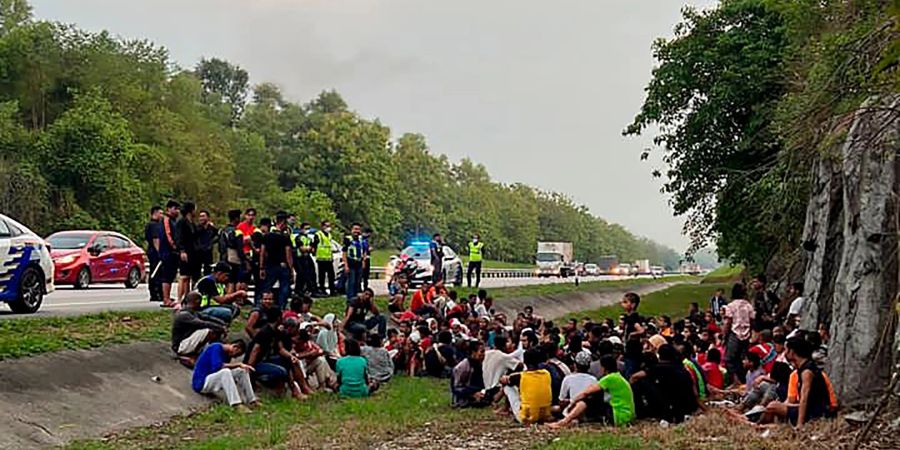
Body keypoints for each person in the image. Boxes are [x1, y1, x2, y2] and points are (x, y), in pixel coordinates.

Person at [548, 355, 634, 428]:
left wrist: (572, 403)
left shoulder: (609, 379)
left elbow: (585, 393)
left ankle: (564, 421)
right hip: (627, 415)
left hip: (618, 416)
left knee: (587, 400)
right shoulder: (617, 377)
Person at [762, 338, 833, 426]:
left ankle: (758, 425)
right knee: (773, 405)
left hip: (815, 410)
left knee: (772, 406)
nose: (785, 353)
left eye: (786, 350)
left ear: (792, 352)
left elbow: (804, 399)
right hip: (809, 407)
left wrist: (800, 424)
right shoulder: (802, 368)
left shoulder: (807, 371)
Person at [191, 340, 258, 411]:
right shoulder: (216, 348)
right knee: (225, 372)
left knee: (242, 371)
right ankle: (236, 404)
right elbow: (217, 367)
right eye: (236, 354)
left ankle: (252, 400)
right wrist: (238, 364)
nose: (234, 357)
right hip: (201, 382)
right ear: (235, 347)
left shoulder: (227, 355)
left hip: (212, 378)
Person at [172, 291, 227, 365]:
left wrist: (222, 324)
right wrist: (221, 328)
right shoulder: (184, 315)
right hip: (181, 346)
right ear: (197, 301)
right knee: (208, 331)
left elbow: (207, 318)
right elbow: (202, 323)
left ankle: (202, 353)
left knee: (213, 329)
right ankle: (191, 355)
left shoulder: (193, 312)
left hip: (187, 341)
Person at [500, 348, 553, 425]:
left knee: (507, 387)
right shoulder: (546, 374)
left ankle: (506, 409)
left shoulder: (521, 376)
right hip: (544, 415)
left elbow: (503, 380)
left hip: (526, 417)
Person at [260, 211, 294, 309]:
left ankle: (263, 305)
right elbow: (288, 254)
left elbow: (262, 252)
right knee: (284, 288)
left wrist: (261, 267)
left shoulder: (267, 236)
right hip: (282, 265)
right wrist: (291, 269)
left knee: (267, 287)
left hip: (270, 265)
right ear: (283, 222)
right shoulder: (285, 237)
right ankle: (281, 307)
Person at [723, 283, 755, 385]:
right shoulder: (748, 305)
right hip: (746, 334)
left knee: (729, 359)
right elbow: (752, 320)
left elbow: (728, 322)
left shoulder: (731, 306)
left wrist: (724, 335)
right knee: (742, 359)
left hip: (734, 333)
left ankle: (736, 380)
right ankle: (743, 379)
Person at [156, 200, 181, 308]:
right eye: (175, 208)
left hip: (172, 253)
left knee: (171, 276)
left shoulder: (174, 221)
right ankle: (166, 299)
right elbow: (169, 235)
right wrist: (175, 247)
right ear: (169, 209)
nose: (177, 211)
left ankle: (168, 297)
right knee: (167, 276)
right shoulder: (166, 220)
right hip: (168, 252)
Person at [451, 340, 489, 408]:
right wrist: (472, 394)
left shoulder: (480, 364)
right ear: (473, 352)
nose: (484, 354)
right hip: (465, 393)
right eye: (482, 352)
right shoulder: (463, 366)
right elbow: (456, 388)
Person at [175, 201, 200, 303]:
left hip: (192, 252)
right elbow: (179, 237)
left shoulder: (192, 223)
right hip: (185, 251)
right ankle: (179, 299)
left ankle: (187, 297)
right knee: (183, 276)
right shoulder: (182, 222)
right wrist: (182, 250)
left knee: (189, 277)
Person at [218, 209, 247, 294]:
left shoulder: (222, 230)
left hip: (224, 258)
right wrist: (245, 260)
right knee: (236, 280)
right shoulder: (237, 232)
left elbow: (220, 246)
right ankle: (235, 298)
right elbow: (240, 248)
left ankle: (227, 296)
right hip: (235, 259)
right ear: (236, 219)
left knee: (227, 280)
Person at [144, 205, 164, 303]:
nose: (162, 215)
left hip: (151, 251)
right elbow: (156, 239)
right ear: (155, 213)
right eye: (160, 213)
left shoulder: (149, 224)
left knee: (154, 272)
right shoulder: (154, 225)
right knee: (157, 273)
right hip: (155, 252)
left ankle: (155, 293)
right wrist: (160, 252)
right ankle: (157, 293)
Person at [313, 220, 336, 297]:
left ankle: (332, 291)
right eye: (326, 226)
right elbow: (314, 246)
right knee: (322, 276)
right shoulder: (318, 235)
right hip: (321, 259)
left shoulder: (329, 235)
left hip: (329, 258)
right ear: (322, 226)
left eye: (329, 226)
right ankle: (322, 290)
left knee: (331, 276)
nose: (328, 228)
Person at [343, 223, 365, 301]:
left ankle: (356, 297)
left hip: (359, 263)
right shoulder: (348, 239)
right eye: (355, 229)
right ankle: (350, 298)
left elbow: (364, 251)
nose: (357, 231)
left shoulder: (361, 240)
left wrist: (363, 262)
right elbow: (344, 252)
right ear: (352, 230)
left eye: (358, 229)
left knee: (358, 282)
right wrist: (346, 265)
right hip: (351, 263)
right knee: (351, 282)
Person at [294, 222, 317, 295]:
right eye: (306, 228)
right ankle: (299, 290)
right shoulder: (299, 237)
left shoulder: (309, 238)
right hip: (300, 258)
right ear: (301, 229)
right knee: (301, 274)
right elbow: (302, 249)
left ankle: (311, 289)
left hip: (307, 257)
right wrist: (309, 248)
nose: (308, 230)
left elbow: (312, 249)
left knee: (312, 273)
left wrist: (310, 248)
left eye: (309, 228)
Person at [196, 210, 218, 276]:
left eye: (203, 216)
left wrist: (211, 243)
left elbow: (218, 235)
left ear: (208, 217)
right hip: (198, 252)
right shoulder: (196, 228)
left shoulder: (212, 228)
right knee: (196, 273)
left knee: (208, 271)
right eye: (200, 216)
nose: (201, 218)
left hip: (208, 253)